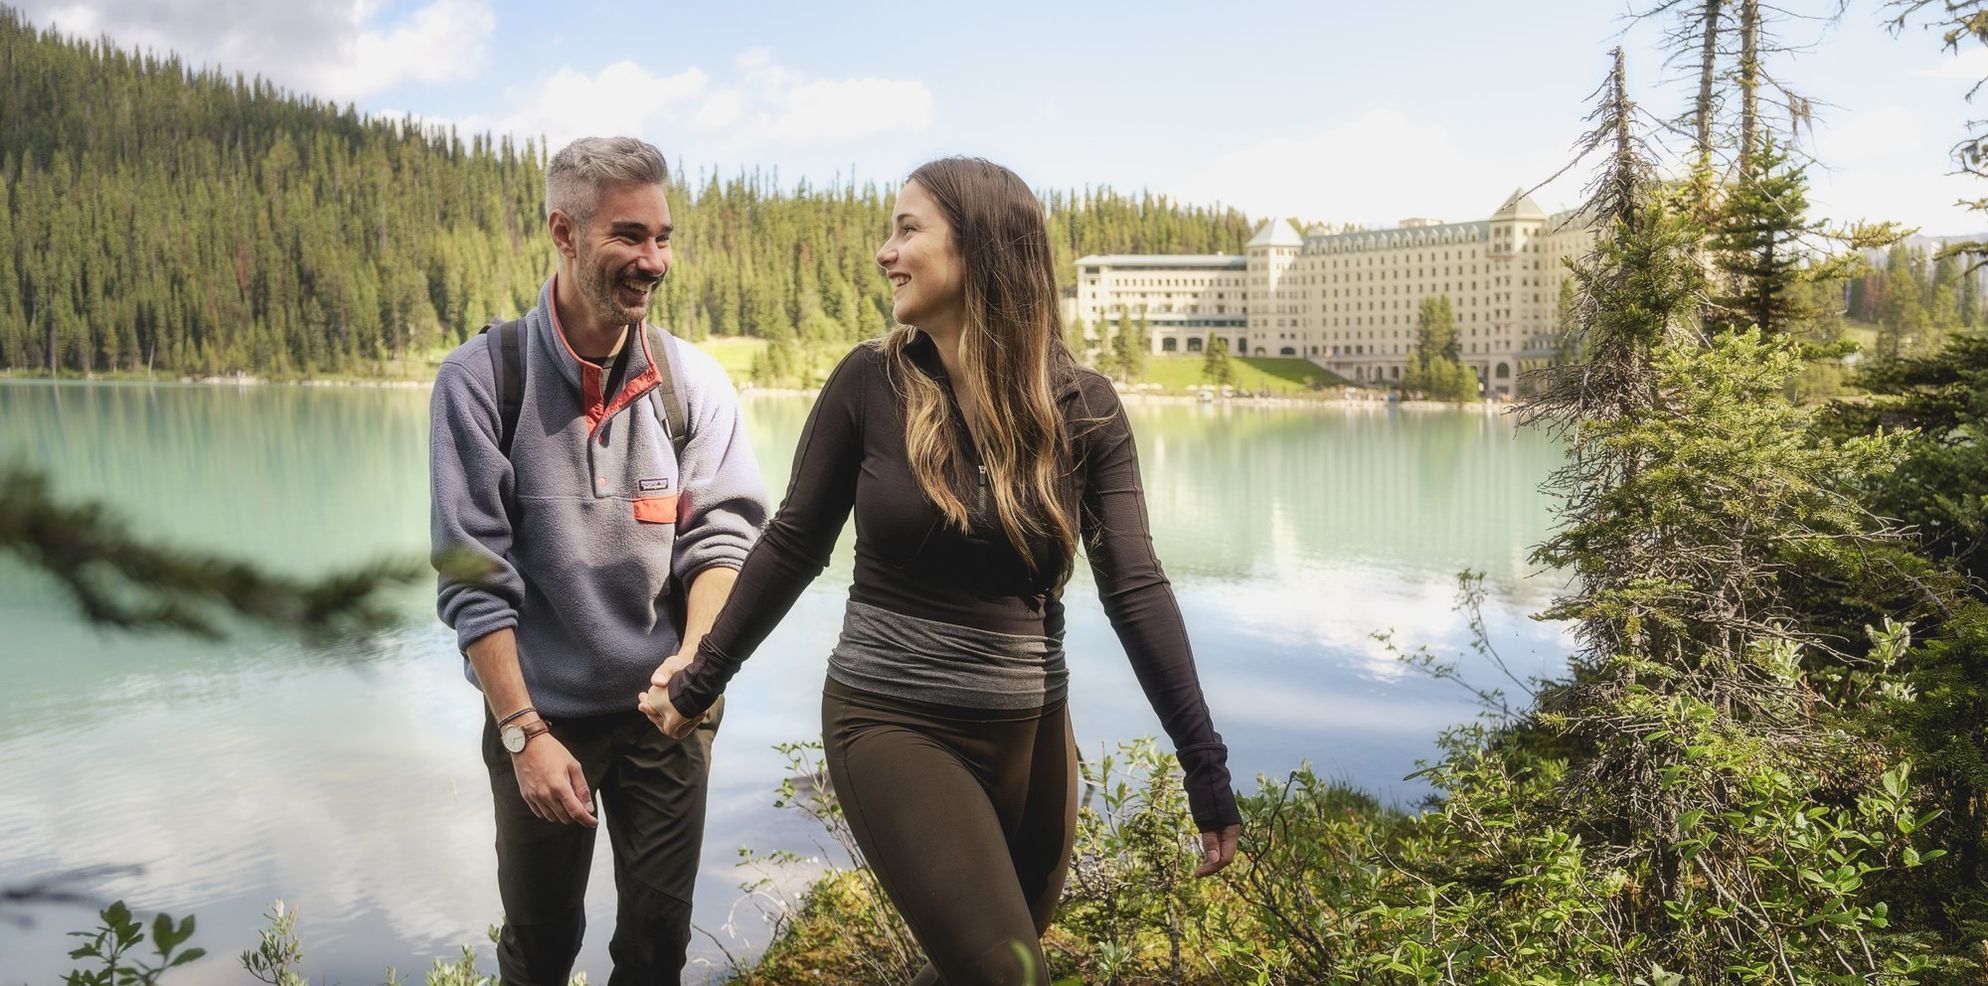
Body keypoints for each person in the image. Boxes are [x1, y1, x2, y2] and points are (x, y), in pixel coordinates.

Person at [639, 157, 1243, 986]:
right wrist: (699, 680)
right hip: (892, 721)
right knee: (1007, 975)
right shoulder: (869, 383)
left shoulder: (1087, 408)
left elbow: (1135, 589)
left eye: (907, 228)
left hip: (1034, 736)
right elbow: (791, 544)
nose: (886, 252)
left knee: (990, 970)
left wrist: (1203, 765)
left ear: (981, 248)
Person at [431, 135, 770, 985]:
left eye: (663, 238)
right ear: (564, 232)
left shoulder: (692, 384)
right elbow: (475, 579)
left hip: (667, 709)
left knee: (656, 945)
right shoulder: (482, 381)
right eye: (629, 236)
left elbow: (722, 537)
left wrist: (695, 663)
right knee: (541, 947)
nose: (653, 261)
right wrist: (523, 731)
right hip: (541, 713)